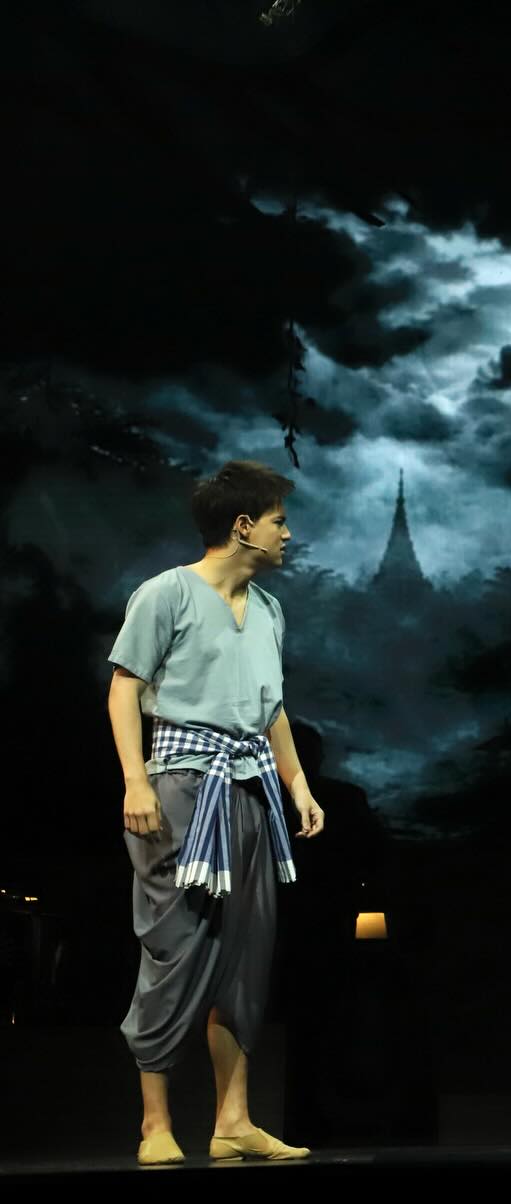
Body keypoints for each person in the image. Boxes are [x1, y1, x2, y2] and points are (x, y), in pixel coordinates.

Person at [108, 460, 324, 1165]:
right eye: (279, 521)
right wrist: (135, 782)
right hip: (181, 786)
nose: (287, 534)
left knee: (245, 953)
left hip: (250, 788)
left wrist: (297, 785)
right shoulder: (166, 593)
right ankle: (155, 1124)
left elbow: (272, 709)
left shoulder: (268, 610)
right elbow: (124, 688)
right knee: (177, 946)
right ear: (243, 526)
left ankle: (234, 1120)